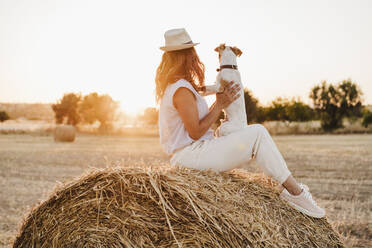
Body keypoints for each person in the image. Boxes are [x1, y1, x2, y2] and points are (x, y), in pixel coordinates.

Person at [156, 28, 325, 218]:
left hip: (194, 153)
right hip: (191, 156)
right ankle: (296, 193)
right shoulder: (181, 90)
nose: (196, 58)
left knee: (250, 133)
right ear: (186, 56)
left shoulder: (181, 87)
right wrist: (219, 105)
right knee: (258, 133)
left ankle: (292, 190)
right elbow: (195, 132)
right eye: (192, 53)